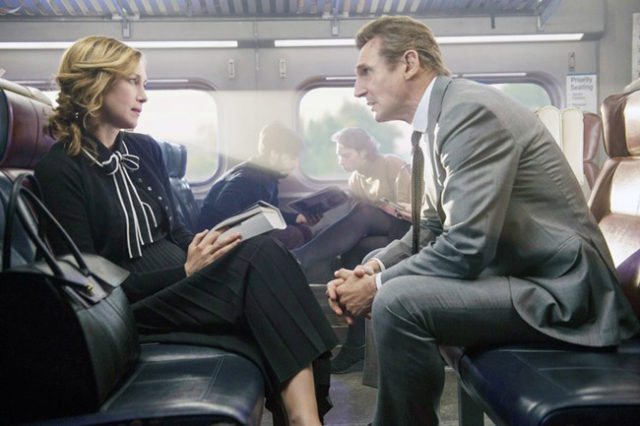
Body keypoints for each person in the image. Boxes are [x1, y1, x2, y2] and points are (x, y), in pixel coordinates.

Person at [326, 16, 640, 426]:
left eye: (366, 72)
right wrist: (373, 268)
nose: (358, 89)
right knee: (387, 283)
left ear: (408, 63)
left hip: (564, 291)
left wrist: (376, 287)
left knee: (398, 302)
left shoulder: (470, 113)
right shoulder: (437, 122)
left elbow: (466, 246)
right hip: (523, 275)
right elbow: (430, 228)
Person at [35, 35, 337, 426]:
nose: (144, 95)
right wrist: (185, 271)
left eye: (144, 83)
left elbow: (176, 232)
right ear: (96, 83)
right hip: (130, 302)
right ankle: (304, 420)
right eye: (133, 81)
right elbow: (89, 283)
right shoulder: (59, 169)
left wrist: (210, 250)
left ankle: (303, 419)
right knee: (264, 259)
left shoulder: (144, 149)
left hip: (184, 279)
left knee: (263, 254)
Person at [290, 127, 411, 374]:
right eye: (339, 155)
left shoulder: (393, 166)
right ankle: (356, 346)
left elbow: (413, 211)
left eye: (346, 155)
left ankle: (300, 259)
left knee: (364, 212)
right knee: (353, 253)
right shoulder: (356, 179)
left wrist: (384, 207)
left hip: (406, 232)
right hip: (380, 237)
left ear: (364, 152)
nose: (340, 160)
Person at [197, 121, 316, 249]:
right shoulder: (247, 178)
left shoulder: (269, 177)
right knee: (293, 235)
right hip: (218, 241)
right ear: (274, 154)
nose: (296, 164)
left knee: (304, 230)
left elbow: (272, 213)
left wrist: (296, 217)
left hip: (240, 234)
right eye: (292, 158)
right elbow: (224, 212)